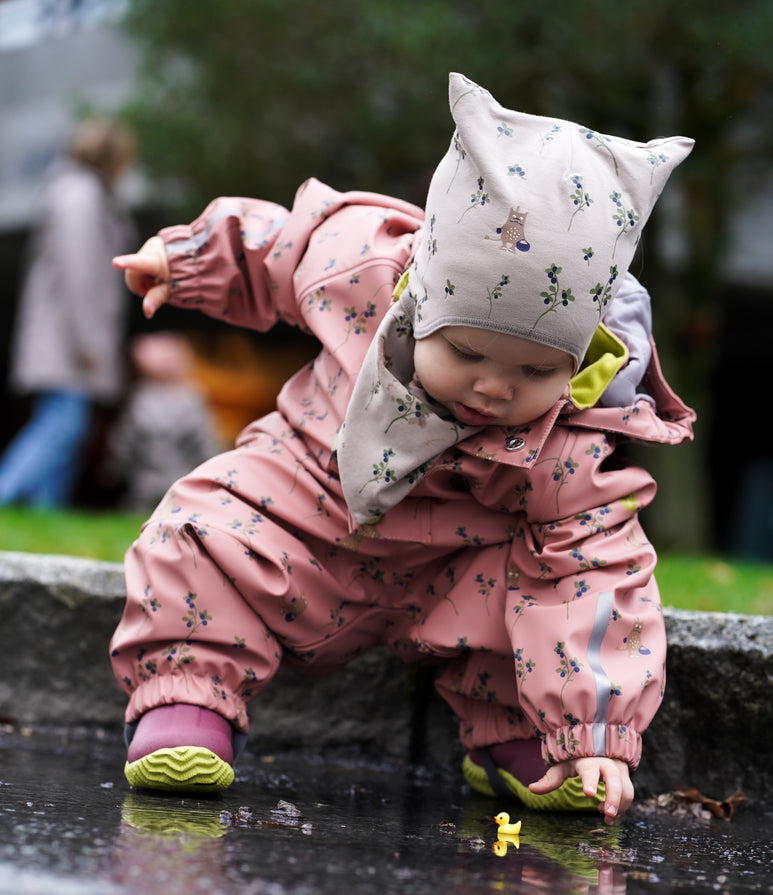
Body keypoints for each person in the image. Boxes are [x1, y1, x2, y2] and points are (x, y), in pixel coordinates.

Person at [109, 74, 695, 825]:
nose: (493, 388)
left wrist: (597, 730)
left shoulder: (571, 434)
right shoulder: (364, 270)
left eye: (534, 370)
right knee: (201, 534)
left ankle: (527, 742)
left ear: (577, 362)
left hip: (452, 579)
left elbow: (598, 577)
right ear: (421, 301)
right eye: (467, 353)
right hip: (307, 511)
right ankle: (188, 702)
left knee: (546, 586)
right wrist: (187, 259)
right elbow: (282, 245)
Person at [0, 116, 136, 508]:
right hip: (68, 340)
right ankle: (6, 493)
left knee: (67, 432)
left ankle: (46, 516)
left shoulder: (78, 193)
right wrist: (87, 341)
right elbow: (81, 273)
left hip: (66, 338)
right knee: (61, 426)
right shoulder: (80, 196)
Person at [105, 332, 223, 512]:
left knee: (137, 522)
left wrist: (113, 470)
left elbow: (124, 442)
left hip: (144, 483)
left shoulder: (140, 398)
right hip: (182, 481)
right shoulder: (192, 399)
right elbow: (205, 442)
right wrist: (216, 472)